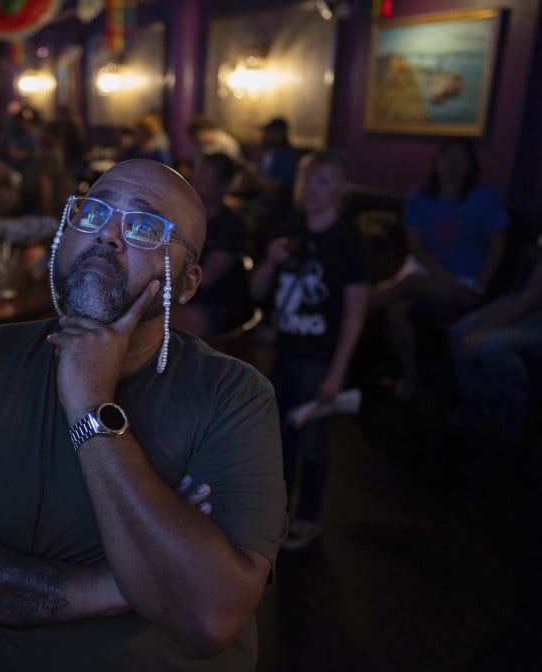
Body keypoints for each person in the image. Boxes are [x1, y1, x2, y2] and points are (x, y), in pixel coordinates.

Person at [0, 159, 287, 670]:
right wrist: (123, 584)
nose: (108, 235)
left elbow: (207, 618)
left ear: (186, 283)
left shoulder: (234, 396)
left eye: (143, 226)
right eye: (93, 213)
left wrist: (90, 404)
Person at [249, 149, 371, 550]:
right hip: (283, 350)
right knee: (277, 436)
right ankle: (278, 512)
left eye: (322, 180)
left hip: (320, 355)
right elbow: (256, 292)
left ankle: (308, 517)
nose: (311, 189)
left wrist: (338, 371)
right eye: (306, 180)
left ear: (341, 189)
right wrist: (269, 262)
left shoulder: (350, 243)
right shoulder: (288, 228)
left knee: (314, 439)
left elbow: (355, 313)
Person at [367, 137, 508, 400]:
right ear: (437, 162)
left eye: (460, 158)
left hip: (467, 284)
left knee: (404, 284)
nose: (453, 164)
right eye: (448, 157)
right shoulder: (419, 198)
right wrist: (446, 279)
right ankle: (410, 375)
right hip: (427, 276)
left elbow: (497, 245)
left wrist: (480, 284)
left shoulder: (484, 197)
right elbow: (417, 249)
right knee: (396, 308)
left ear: (470, 165)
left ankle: (344, 322)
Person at [448, 249, 542, 443]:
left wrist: (484, 331)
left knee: (492, 346)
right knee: (459, 333)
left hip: (533, 309)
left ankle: (516, 412)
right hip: (523, 299)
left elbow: (532, 297)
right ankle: (478, 403)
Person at [172, 153, 250, 339]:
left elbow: (205, 279)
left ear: (223, 186)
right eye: (196, 178)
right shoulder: (184, 218)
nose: (196, 185)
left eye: (204, 181)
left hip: (212, 304)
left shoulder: (231, 226)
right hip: (180, 297)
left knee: (155, 321)